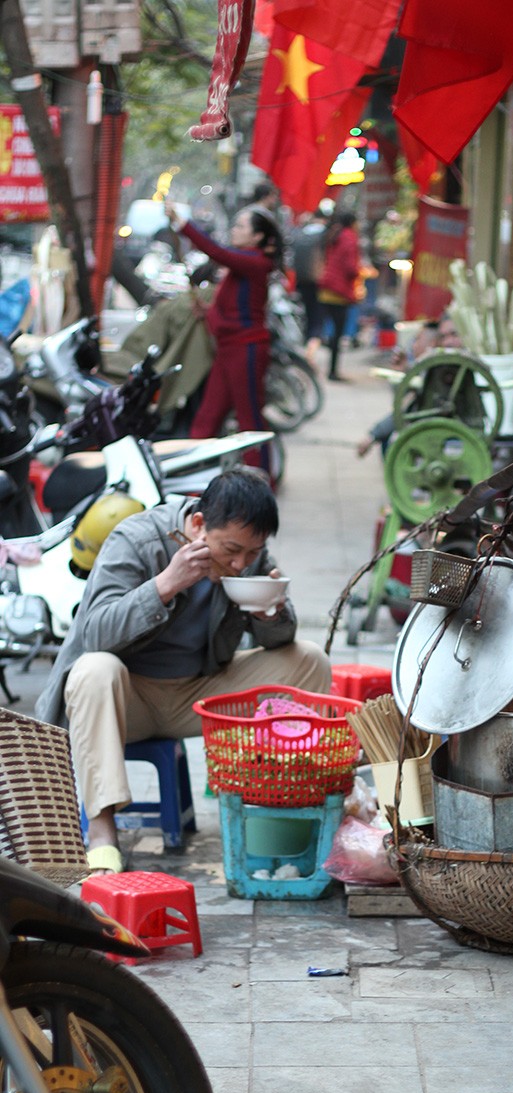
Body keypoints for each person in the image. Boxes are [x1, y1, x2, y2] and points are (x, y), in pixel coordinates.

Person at [35, 467, 332, 874]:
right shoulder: (136, 539)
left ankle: (283, 804)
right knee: (93, 669)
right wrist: (164, 585)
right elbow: (93, 633)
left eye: (251, 552)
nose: (240, 563)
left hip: (200, 693)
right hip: (129, 699)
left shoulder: (248, 554)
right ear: (197, 525)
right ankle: (102, 832)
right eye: (231, 550)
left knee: (308, 660)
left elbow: (281, 640)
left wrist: (272, 613)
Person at [164, 198, 283, 472]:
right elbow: (232, 308)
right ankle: (192, 483)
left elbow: (215, 251)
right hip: (228, 351)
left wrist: (183, 224)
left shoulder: (255, 262)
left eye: (241, 226)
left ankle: (261, 483)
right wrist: (207, 311)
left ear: (257, 236)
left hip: (247, 351)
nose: (235, 229)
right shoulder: (242, 265)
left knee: (250, 422)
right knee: (207, 418)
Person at [356, 316, 462, 458]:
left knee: (393, 442)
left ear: (432, 343)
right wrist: (404, 373)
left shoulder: (447, 369)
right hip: (440, 430)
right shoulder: (433, 368)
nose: (413, 345)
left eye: (417, 339)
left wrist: (373, 435)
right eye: (444, 336)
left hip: (448, 436)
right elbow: (406, 404)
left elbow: (406, 408)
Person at [318, 211, 360, 381]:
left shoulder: (336, 235)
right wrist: (359, 273)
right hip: (339, 290)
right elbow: (351, 267)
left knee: (329, 330)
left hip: (326, 287)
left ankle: (328, 368)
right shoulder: (350, 237)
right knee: (338, 332)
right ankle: (333, 371)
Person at [290, 211, 328, 366]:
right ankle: (310, 352)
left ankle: (306, 344)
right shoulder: (324, 234)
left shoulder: (301, 232)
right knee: (317, 318)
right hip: (319, 282)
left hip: (301, 280)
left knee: (306, 314)